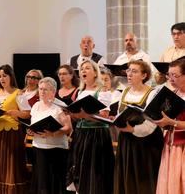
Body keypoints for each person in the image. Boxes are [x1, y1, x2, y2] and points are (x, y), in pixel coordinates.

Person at [113, 60, 164, 194]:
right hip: (126, 141)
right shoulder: (124, 92)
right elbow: (120, 114)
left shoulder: (152, 93)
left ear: (144, 75)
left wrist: (133, 129)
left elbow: (153, 122)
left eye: (134, 71)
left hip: (146, 143)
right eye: (128, 71)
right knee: (127, 177)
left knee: (144, 180)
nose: (129, 74)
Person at [66, 60, 114, 194]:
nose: (83, 71)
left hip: (96, 134)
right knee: (81, 168)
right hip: (81, 133)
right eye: (81, 69)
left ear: (95, 72)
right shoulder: (80, 91)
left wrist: (85, 115)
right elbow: (78, 116)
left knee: (95, 169)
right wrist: (72, 113)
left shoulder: (102, 90)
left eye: (87, 68)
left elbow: (104, 115)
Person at [0, 64, 30, 194]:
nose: (2, 78)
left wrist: (15, 113)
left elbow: (27, 113)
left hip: (11, 133)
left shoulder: (18, 93)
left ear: (11, 76)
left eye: (4, 75)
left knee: (11, 165)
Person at [28, 77, 72, 194]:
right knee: (40, 182)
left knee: (54, 183)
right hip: (38, 147)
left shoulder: (60, 106)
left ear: (53, 91)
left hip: (55, 150)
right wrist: (31, 131)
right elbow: (33, 124)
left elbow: (68, 128)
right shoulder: (36, 105)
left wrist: (53, 133)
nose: (42, 92)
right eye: (40, 89)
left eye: (45, 90)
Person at [154, 58, 185, 194]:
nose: (171, 79)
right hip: (170, 145)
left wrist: (171, 122)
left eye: (175, 75)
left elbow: (172, 121)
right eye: (169, 75)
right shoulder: (174, 93)